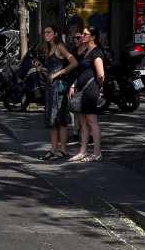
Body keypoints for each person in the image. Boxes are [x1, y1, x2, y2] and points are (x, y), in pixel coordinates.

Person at [66, 26, 107, 162]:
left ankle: (97, 152)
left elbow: (101, 74)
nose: (82, 36)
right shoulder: (86, 51)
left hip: (90, 90)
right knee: (83, 122)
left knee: (91, 121)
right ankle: (82, 151)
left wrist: (99, 88)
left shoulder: (96, 52)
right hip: (83, 89)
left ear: (93, 37)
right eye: (83, 34)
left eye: (85, 34)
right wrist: (74, 84)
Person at [38, 25, 77, 161]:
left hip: (58, 87)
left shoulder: (60, 46)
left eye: (49, 32)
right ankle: (53, 149)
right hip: (50, 88)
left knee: (60, 119)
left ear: (55, 33)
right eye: (44, 32)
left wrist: (56, 75)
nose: (46, 34)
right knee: (52, 119)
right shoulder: (47, 48)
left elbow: (73, 63)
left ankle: (63, 150)